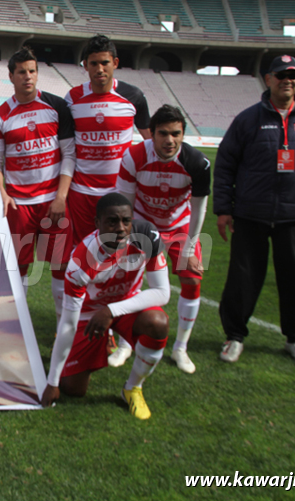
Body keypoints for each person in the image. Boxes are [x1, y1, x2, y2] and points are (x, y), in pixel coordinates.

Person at [215, 55, 295, 366]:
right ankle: (234, 336)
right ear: (268, 78)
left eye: (293, 75)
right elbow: (226, 165)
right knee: (242, 279)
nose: (288, 80)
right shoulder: (247, 119)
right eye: (282, 74)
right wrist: (223, 209)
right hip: (250, 213)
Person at [40, 193, 171, 420]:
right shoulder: (81, 261)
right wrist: (52, 382)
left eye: (126, 221)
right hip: (89, 314)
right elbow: (68, 324)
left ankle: (133, 388)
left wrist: (111, 310)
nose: (120, 228)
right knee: (73, 388)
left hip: (125, 306)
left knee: (158, 323)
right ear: (97, 223)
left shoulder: (147, 236)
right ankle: (88, 353)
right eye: (112, 221)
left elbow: (162, 293)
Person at [114, 104, 210, 374]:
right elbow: (124, 204)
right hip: (143, 224)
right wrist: (125, 240)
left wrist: (189, 248)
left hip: (179, 226)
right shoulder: (134, 156)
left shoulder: (197, 163)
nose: (170, 140)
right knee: (128, 282)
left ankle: (180, 348)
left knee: (192, 280)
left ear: (183, 135)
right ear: (152, 134)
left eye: (176, 134)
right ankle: (124, 344)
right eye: (163, 133)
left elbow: (199, 208)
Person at [0, 46, 76, 323]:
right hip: (19, 204)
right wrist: (3, 193)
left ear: (37, 73)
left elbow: (69, 154)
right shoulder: (0, 115)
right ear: (11, 76)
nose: (28, 76)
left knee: (60, 265)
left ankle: (62, 325)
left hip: (53, 201)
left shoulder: (56, 106)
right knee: (20, 267)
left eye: (32, 71)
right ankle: (20, 328)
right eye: (21, 72)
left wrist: (61, 197)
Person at [64, 35, 150, 244]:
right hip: (82, 192)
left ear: (115, 63)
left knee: (118, 250)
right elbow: (65, 145)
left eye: (105, 63)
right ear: (85, 65)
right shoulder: (72, 98)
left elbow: (150, 142)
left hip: (120, 191)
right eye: (94, 64)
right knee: (84, 249)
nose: (100, 69)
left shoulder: (133, 96)